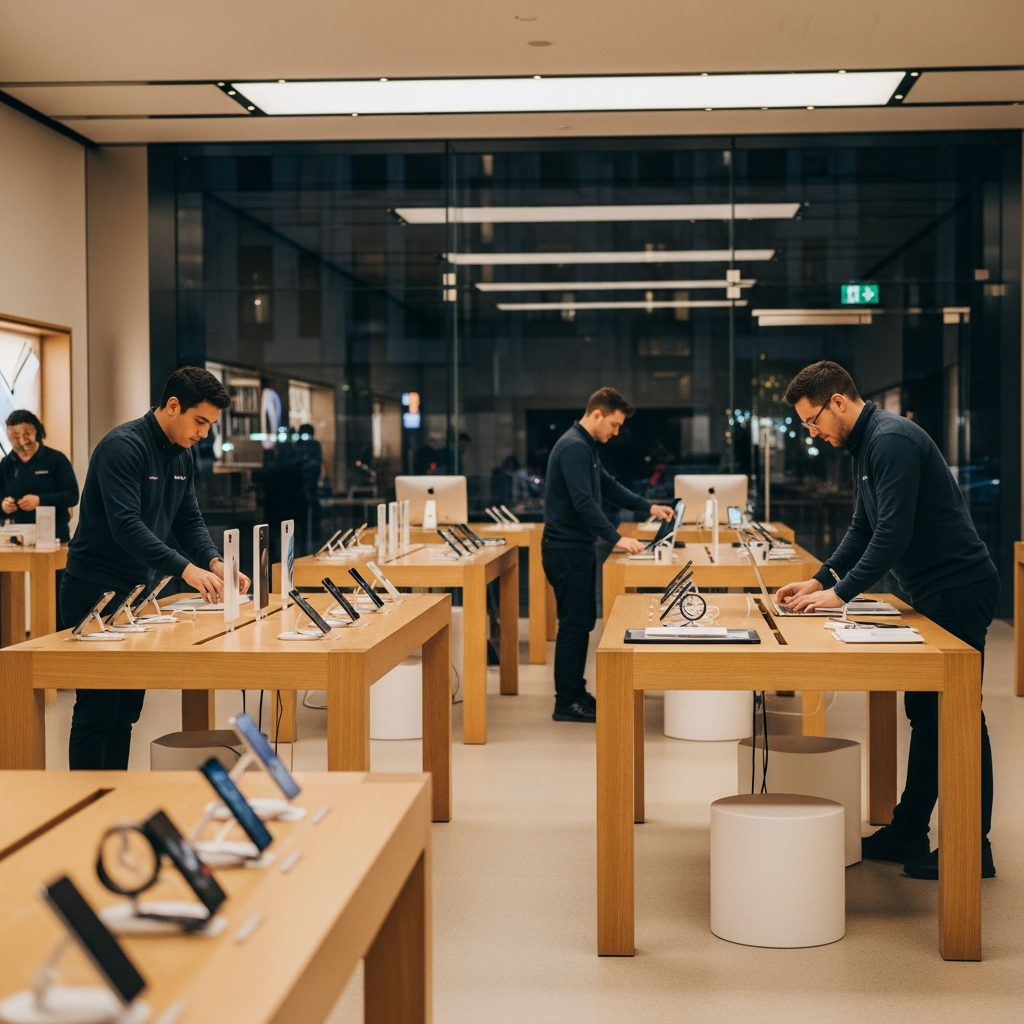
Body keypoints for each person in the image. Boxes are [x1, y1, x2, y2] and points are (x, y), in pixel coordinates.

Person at [776, 360, 999, 879]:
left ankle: (973, 848)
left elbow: (893, 533)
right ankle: (908, 831)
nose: (812, 433)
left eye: (813, 421)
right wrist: (820, 578)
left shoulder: (891, 440)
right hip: (933, 592)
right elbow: (863, 525)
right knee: (927, 716)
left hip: (958, 589)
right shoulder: (864, 447)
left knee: (958, 716)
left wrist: (842, 594)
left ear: (837, 401)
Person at [63, 366, 251, 770]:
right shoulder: (123, 447)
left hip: (135, 592)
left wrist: (216, 563)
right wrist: (187, 570)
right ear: (172, 406)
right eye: (200, 421)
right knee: (98, 710)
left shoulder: (183, 453)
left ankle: (115, 793)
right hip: (93, 588)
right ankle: (84, 803)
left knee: (126, 712)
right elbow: (126, 526)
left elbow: (188, 521)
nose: (203, 433)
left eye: (210, 425)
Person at [542, 387, 675, 723]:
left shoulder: (584, 446)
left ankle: (576, 692)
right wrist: (617, 538)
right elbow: (583, 503)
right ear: (597, 414)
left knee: (583, 623)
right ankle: (566, 702)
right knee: (573, 626)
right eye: (614, 425)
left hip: (577, 548)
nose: (616, 433)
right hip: (566, 549)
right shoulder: (574, 447)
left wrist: (649, 506)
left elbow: (610, 488)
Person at [1, 410, 79, 543]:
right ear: (9, 435)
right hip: (18, 538)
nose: (22, 440)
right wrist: (4, 506)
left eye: (27, 434)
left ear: (36, 431)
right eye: (16, 436)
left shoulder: (56, 459)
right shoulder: (6, 464)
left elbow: (72, 496)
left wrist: (40, 500)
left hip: (55, 536)